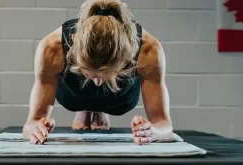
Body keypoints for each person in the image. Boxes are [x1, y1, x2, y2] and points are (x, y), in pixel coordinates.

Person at [22, 0, 173, 146]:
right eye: (90, 73)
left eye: (106, 76)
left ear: (130, 53)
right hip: (73, 94)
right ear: (74, 41)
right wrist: (36, 129)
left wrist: (152, 132)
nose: (98, 83)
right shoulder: (51, 48)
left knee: (114, 99)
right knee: (78, 99)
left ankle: (101, 105)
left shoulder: (149, 50)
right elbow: (31, 123)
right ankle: (86, 108)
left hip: (120, 98)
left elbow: (164, 125)